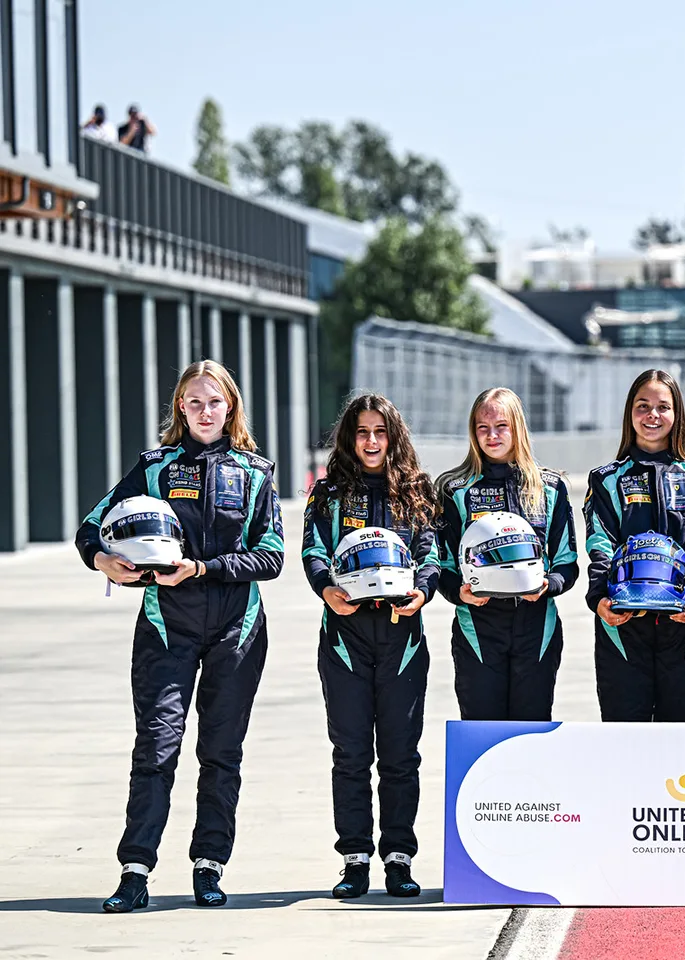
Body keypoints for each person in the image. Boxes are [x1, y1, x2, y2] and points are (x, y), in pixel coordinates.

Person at [76, 360, 284, 913]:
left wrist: (202, 568)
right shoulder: (154, 467)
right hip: (166, 628)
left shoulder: (257, 472)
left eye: (214, 402)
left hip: (236, 631)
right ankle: (134, 871)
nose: (205, 411)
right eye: (194, 402)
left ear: (231, 407)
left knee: (220, 753)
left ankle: (209, 867)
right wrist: (104, 560)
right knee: (156, 748)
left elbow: (272, 557)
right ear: (180, 409)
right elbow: (91, 525)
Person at [302, 394, 438, 899]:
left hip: (402, 636)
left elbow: (431, 549)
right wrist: (325, 590)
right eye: (362, 432)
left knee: (401, 756)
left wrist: (423, 589)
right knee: (351, 753)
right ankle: (354, 859)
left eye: (381, 432)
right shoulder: (330, 491)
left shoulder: (417, 491)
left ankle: (399, 859)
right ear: (349, 437)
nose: (372, 441)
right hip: (345, 637)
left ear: (394, 435)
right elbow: (313, 549)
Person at [584, 370, 685, 721]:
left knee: (684, 734)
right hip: (623, 620)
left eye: (663, 406)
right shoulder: (606, 479)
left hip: (683, 619)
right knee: (624, 735)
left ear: (677, 415)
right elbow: (599, 544)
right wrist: (600, 600)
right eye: (643, 406)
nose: (653, 415)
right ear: (630, 413)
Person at [436, 388, 578, 720]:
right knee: (481, 731)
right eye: (482, 428)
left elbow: (567, 564)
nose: (492, 436)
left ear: (517, 428)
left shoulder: (550, 488)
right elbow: (442, 565)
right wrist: (460, 595)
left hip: (536, 626)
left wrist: (549, 585)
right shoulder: (454, 489)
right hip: (478, 626)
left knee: (531, 732)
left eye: (501, 426)